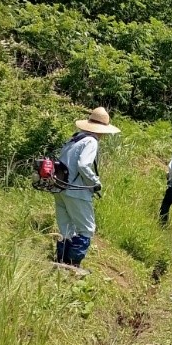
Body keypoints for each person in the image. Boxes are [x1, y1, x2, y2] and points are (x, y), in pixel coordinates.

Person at [54, 106, 120, 270]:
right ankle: (74, 264)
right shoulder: (91, 141)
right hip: (76, 190)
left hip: (60, 188)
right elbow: (84, 164)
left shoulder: (74, 139)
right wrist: (95, 181)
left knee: (66, 227)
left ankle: (62, 262)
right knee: (86, 229)